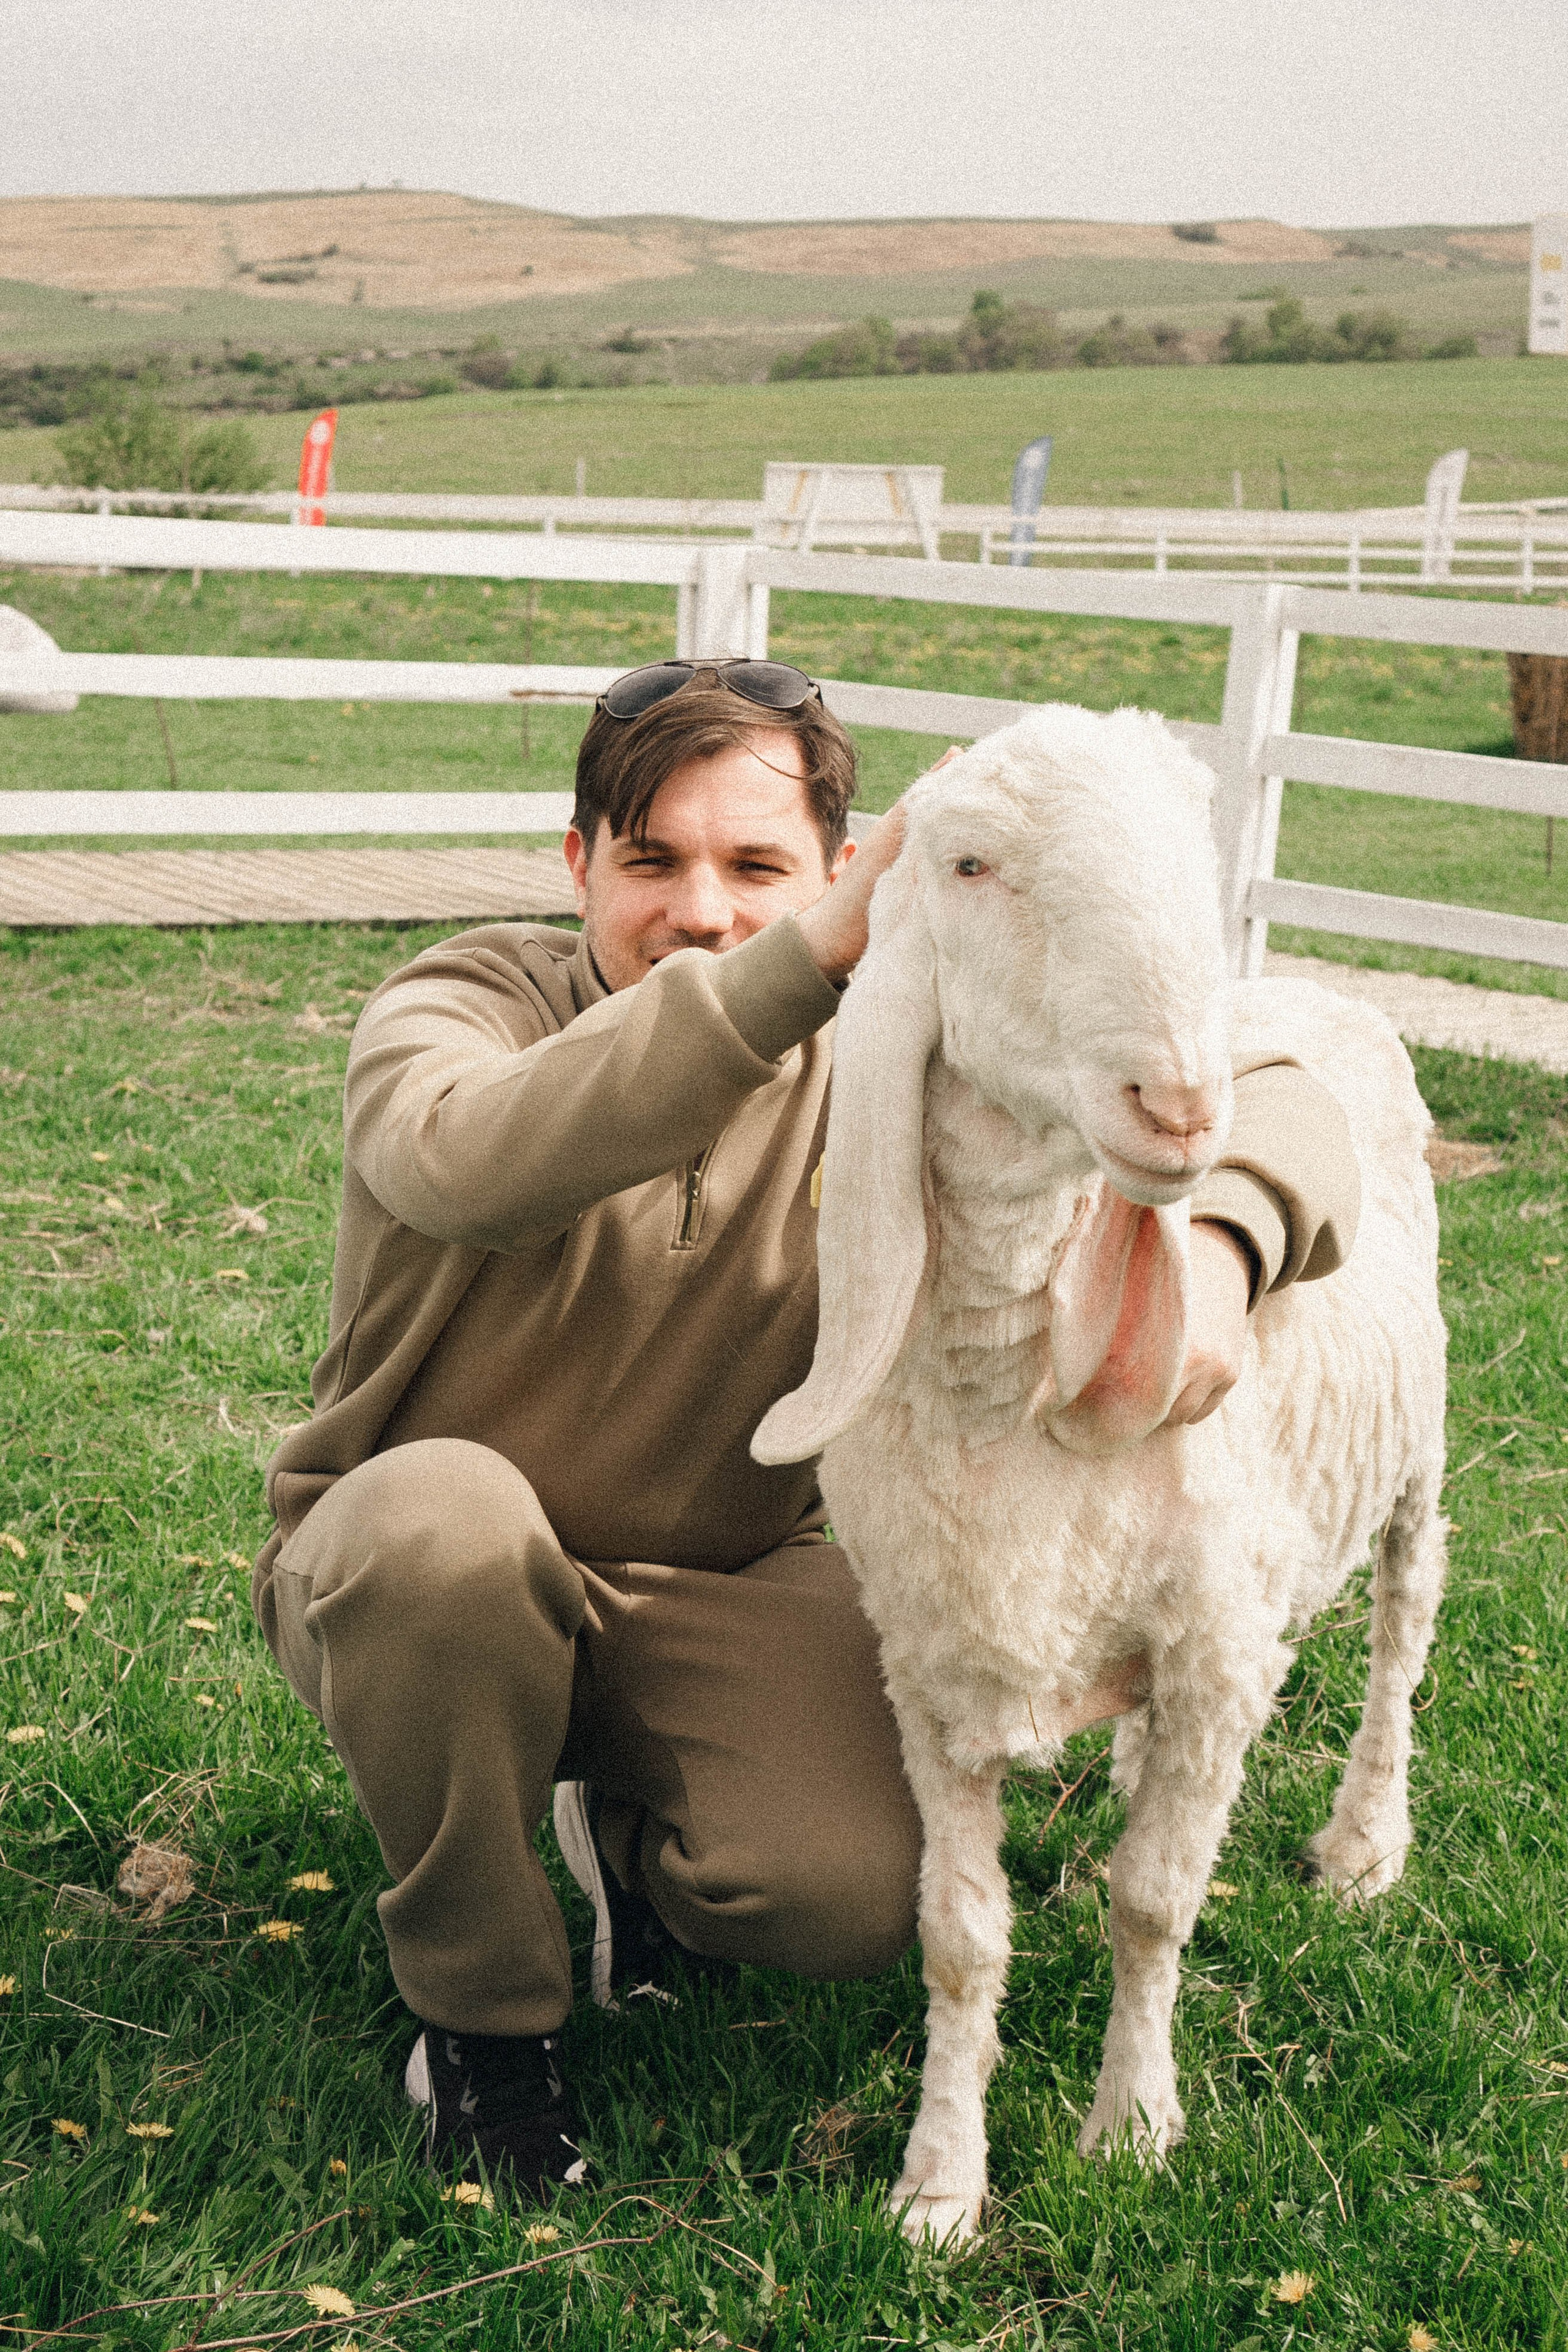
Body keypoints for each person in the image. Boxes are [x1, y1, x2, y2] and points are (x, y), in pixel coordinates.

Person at [252, 658, 1359, 2200]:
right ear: (578, 861)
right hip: (417, 1581)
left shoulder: (890, 1042)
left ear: (837, 868)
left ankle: (625, 1844)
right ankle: (483, 2023)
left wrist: (1226, 1249)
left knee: (849, 1898)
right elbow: (459, 1163)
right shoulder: (460, 1004)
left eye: (756, 867)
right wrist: (806, 957)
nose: (703, 911)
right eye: (653, 860)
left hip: (718, 1580)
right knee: (439, 1529)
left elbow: (1281, 1095)